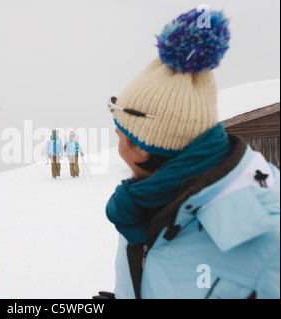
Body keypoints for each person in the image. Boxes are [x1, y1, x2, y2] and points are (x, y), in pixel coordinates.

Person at [101, 9, 280, 299]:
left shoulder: (269, 243)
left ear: (140, 147)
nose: (116, 140)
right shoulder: (142, 204)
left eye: (119, 132)